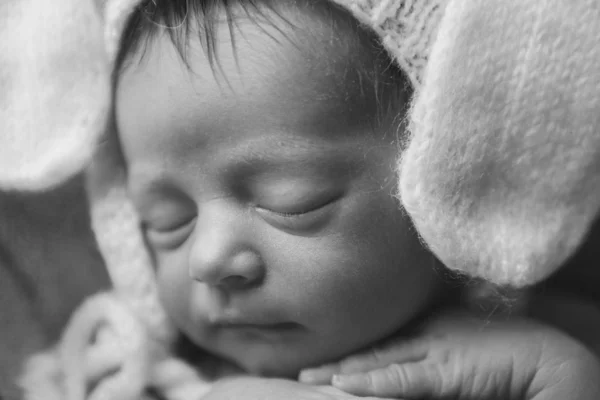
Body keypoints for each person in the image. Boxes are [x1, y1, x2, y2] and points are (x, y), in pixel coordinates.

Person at [21, 0, 600, 399]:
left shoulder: (533, 361)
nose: (208, 261)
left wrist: (567, 379)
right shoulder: (123, 371)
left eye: (292, 203)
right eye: (166, 222)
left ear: (452, 170)